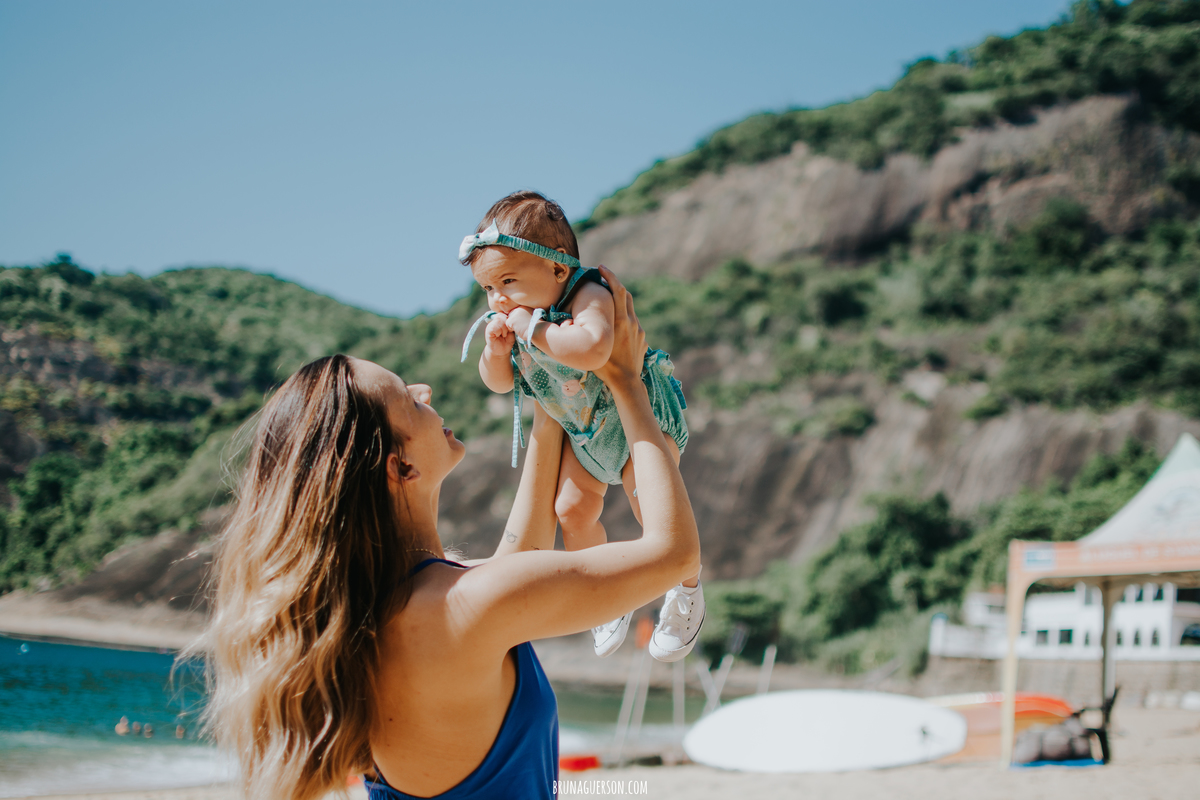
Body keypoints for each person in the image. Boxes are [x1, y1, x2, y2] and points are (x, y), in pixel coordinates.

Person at [197, 268, 700, 800]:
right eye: (409, 400)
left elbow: (521, 553)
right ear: (401, 468)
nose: (425, 389)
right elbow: (674, 554)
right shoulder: (464, 606)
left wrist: (552, 384)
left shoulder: (393, 608)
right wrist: (624, 380)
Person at [459, 191, 704, 661]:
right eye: (488, 290)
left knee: (648, 507)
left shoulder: (587, 293)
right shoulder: (516, 316)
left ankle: (687, 591)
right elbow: (498, 383)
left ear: (557, 268)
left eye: (508, 281)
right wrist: (495, 350)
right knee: (570, 510)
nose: (499, 298)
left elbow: (593, 349)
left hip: (637, 420)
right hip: (584, 432)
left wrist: (533, 329)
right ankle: (607, 599)